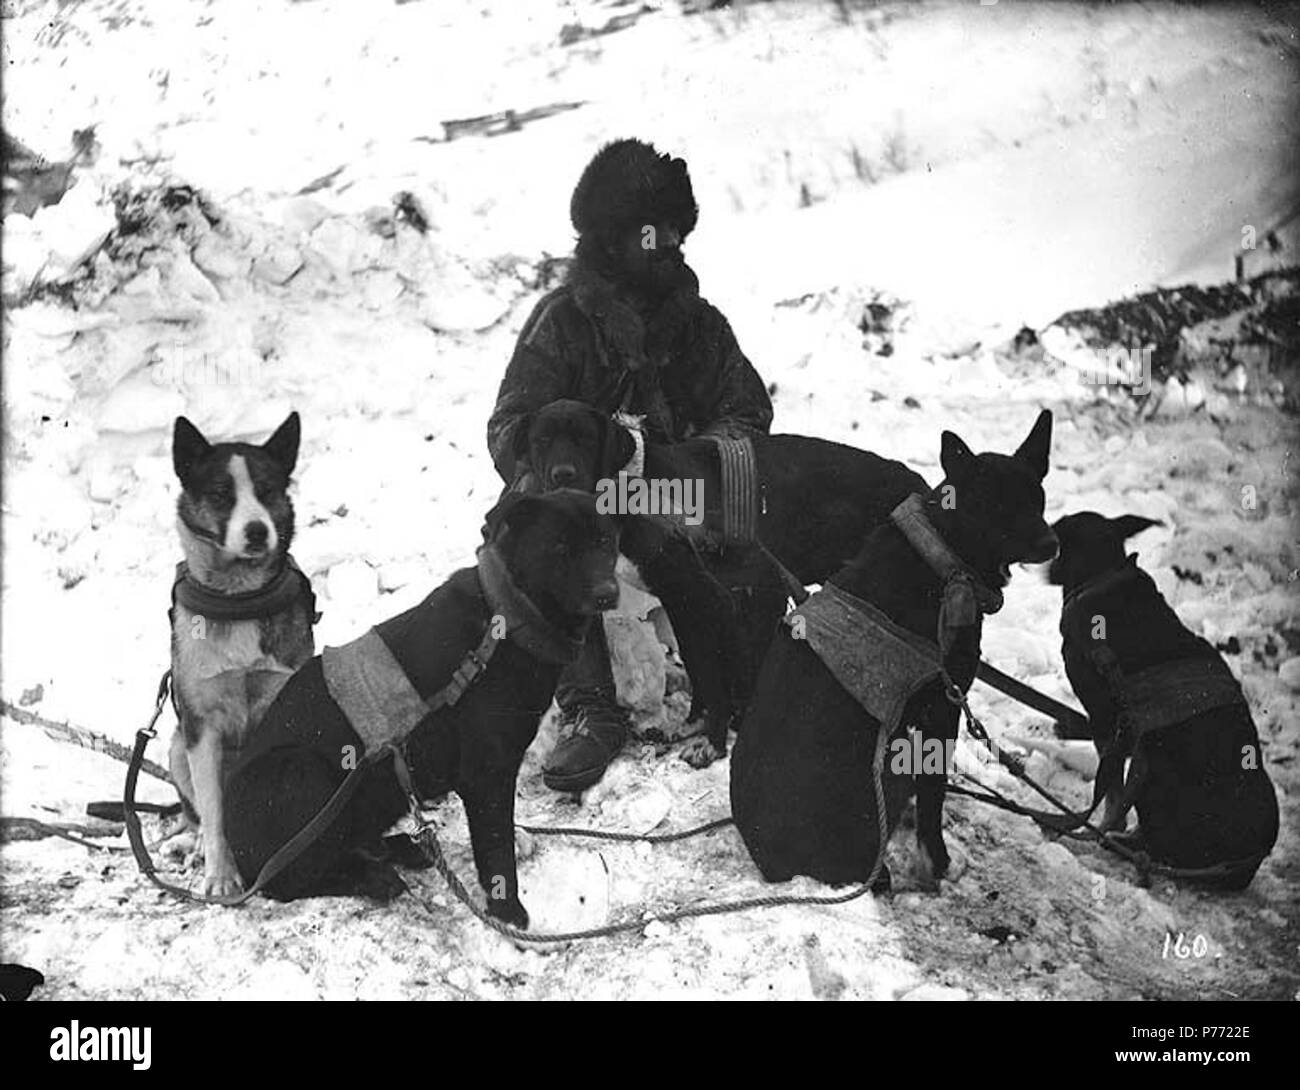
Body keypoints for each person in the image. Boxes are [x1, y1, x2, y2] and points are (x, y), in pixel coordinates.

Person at [486, 138, 772, 791]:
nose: (671, 244)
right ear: (613, 240)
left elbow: (749, 417)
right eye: (654, 232)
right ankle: (590, 709)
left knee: (752, 504)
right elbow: (509, 427)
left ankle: (739, 690)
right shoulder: (559, 323)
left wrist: (685, 465)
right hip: (586, 516)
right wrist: (573, 468)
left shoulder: (701, 326)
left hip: (676, 508)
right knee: (536, 530)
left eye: (676, 231)